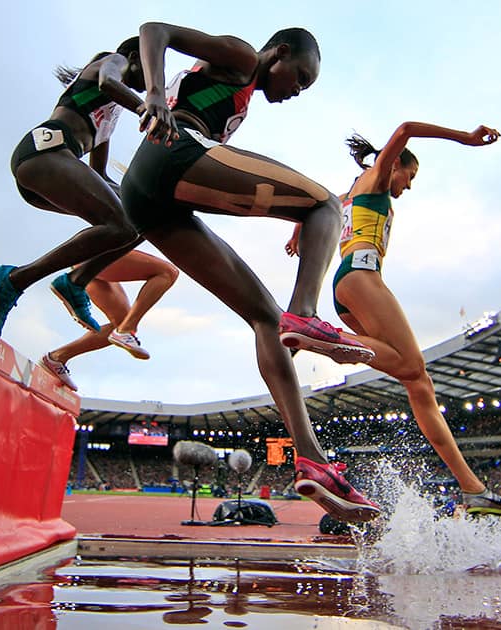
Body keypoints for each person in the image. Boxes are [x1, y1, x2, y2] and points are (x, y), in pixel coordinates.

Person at [119, 22, 378, 522]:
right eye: (298, 78)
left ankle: (311, 459)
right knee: (325, 203)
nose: (294, 92)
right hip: (172, 150)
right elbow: (155, 30)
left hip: (150, 200)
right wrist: (153, 94)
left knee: (264, 317)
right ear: (277, 54)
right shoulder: (240, 57)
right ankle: (305, 313)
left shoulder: (239, 93)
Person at [285, 122, 501, 516]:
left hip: (346, 286)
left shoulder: (348, 194)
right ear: (393, 163)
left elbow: (318, 205)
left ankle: (473, 489)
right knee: (416, 372)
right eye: (410, 175)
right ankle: (320, 336)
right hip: (363, 277)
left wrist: (299, 231)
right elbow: (407, 128)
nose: (409, 186)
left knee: (417, 381)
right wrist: (465, 138)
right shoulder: (377, 177)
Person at [0, 37, 148, 341]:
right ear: (134, 57)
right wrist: (147, 109)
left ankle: (75, 281)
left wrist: (138, 193)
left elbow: (99, 173)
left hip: (54, 168)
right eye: (151, 67)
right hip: (44, 150)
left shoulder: (110, 113)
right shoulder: (114, 61)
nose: (153, 78)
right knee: (121, 224)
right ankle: (18, 279)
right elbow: (107, 83)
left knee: (139, 221)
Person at [40, 250, 179, 390]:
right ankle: (126, 330)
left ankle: (56, 358)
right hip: (97, 253)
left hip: (93, 259)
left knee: (121, 323)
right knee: (167, 272)